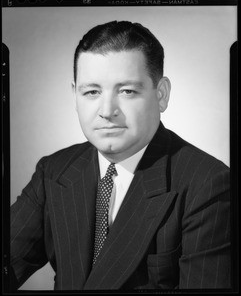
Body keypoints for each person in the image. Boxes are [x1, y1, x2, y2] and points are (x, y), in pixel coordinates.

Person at [10, 20, 230, 290]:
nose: (106, 110)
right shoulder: (54, 171)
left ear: (161, 95)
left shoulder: (207, 184)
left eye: (126, 91)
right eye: (92, 91)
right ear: (74, 95)